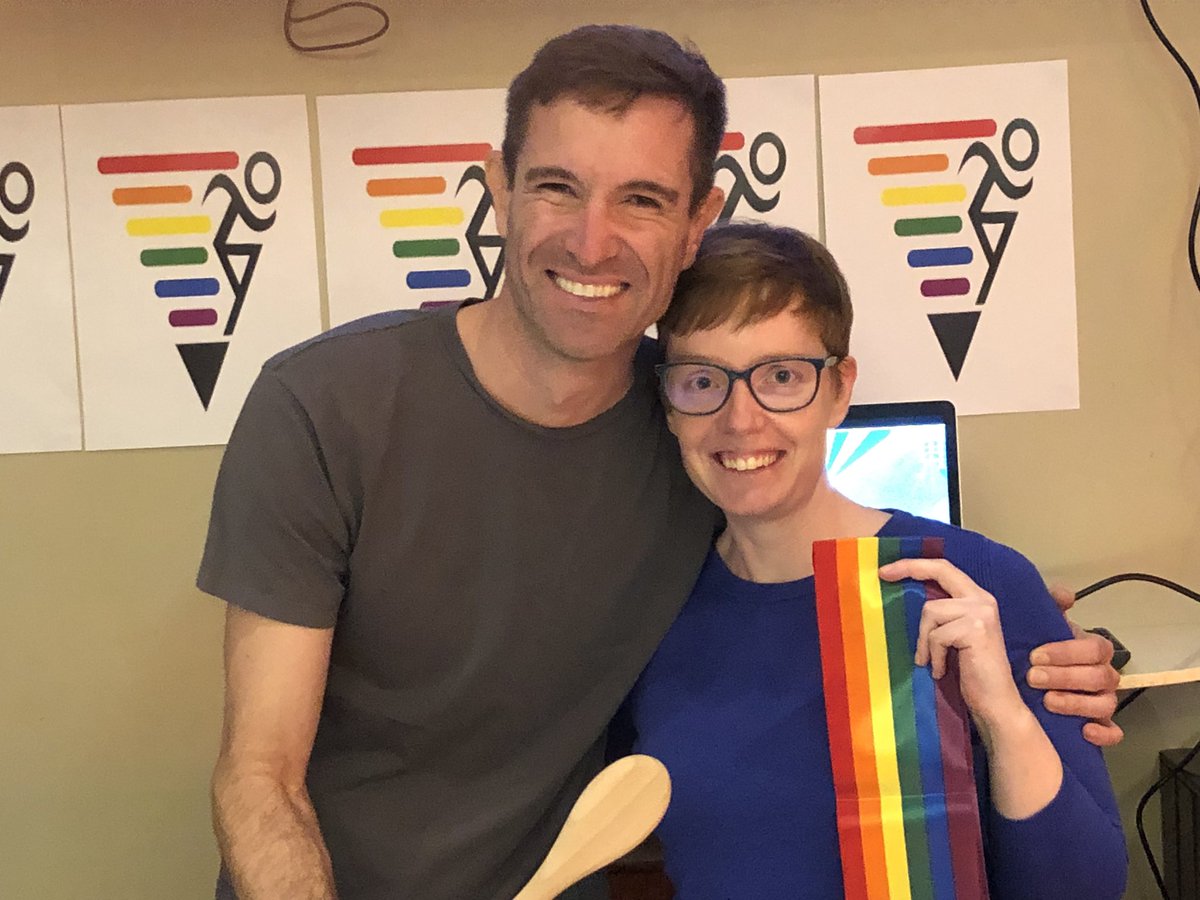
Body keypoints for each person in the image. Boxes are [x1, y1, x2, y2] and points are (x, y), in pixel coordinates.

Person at [197, 24, 1122, 900]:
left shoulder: (706, 430)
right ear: (498, 186)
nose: (592, 241)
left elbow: (812, 550)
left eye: (640, 198)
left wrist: (1034, 649)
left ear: (696, 219)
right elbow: (260, 769)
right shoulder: (324, 408)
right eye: (558, 186)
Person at [627, 221, 1127, 898]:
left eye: (781, 376)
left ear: (838, 389)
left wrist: (1003, 716)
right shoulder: (649, 612)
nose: (741, 420)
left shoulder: (975, 585)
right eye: (701, 381)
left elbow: (1086, 888)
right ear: (669, 403)